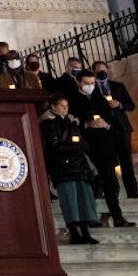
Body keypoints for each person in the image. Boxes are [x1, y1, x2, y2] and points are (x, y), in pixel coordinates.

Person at [67, 70, 135, 229]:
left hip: (106, 146)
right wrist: (87, 124)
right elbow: (71, 123)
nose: (90, 86)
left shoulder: (101, 99)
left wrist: (106, 125)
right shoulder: (74, 100)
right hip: (87, 147)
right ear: (79, 83)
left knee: (111, 183)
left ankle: (117, 217)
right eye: (86, 84)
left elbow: (113, 122)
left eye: (92, 83)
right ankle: (90, 217)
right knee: (90, 183)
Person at [39, 93, 100, 244]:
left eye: (67, 106)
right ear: (53, 107)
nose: (65, 109)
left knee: (83, 198)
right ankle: (74, 232)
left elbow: (83, 142)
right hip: (63, 166)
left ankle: (85, 231)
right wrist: (74, 146)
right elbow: (54, 146)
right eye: (62, 106)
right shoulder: (49, 123)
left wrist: (77, 145)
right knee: (70, 199)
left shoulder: (72, 122)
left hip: (79, 165)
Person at [92, 61, 138, 197]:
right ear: (94, 72)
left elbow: (130, 105)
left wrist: (119, 105)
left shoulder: (118, 87)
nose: (102, 73)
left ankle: (132, 190)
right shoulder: (93, 90)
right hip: (105, 129)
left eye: (104, 70)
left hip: (122, 127)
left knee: (126, 160)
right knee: (109, 162)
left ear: (108, 71)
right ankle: (112, 190)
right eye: (99, 71)